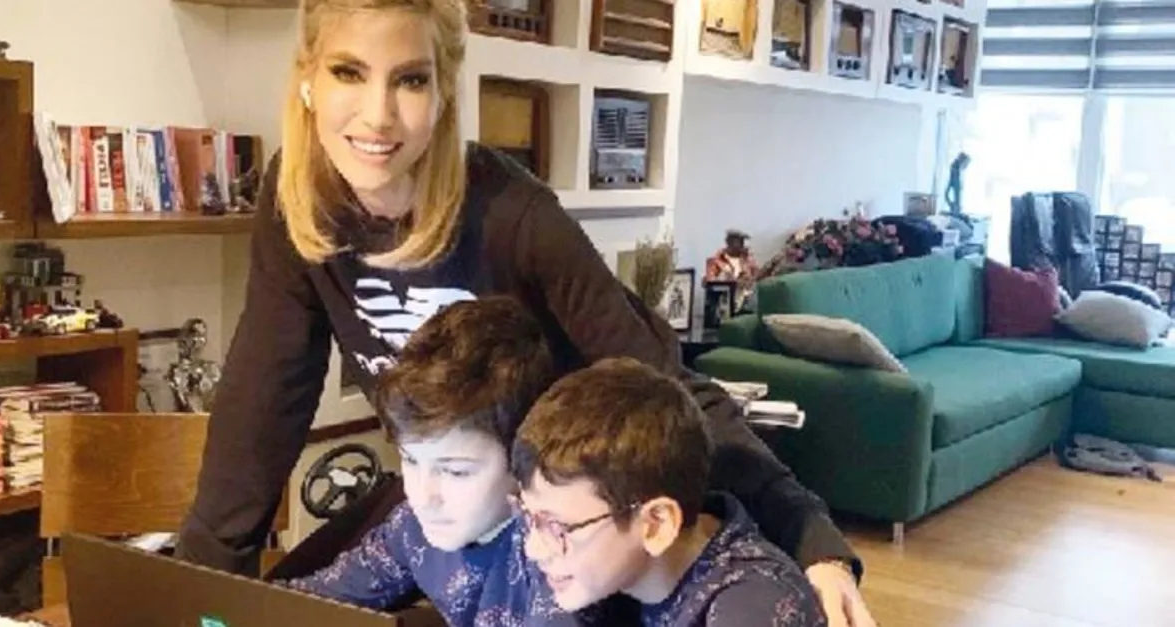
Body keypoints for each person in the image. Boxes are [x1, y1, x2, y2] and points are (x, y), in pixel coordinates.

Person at [173, 1, 876, 624]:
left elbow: (664, 387)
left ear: (444, 91)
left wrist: (806, 533)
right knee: (272, 608)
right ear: (307, 77)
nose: (378, 116)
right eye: (347, 72)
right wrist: (196, 585)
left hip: (562, 528)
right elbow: (263, 398)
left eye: (410, 80)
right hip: (452, 501)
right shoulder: (296, 202)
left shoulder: (516, 216)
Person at [277, 296, 579, 625]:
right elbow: (312, 600)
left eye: (455, 472)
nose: (422, 497)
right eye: (410, 460)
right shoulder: (412, 527)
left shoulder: (563, 560)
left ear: (525, 460)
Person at [512, 357, 827, 627]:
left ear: (657, 524)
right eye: (528, 516)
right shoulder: (589, 570)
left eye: (556, 527)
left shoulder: (757, 607)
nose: (533, 549)